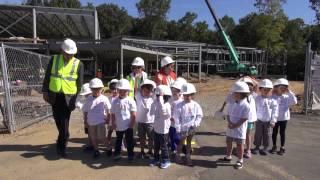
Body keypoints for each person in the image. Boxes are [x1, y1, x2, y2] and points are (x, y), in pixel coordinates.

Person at [42, 38, 84, 157]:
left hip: (68, 97)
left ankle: (62, 145)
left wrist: (76, 99)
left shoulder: (79, 64)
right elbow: (47, 76)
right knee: (57, 119)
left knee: (64, 122)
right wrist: (45, 91)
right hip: (54, 95)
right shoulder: (54, 60)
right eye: (67, 54)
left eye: (71, 54)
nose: (69, 56)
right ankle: (65, 135)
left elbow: (79, 84)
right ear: (62, 51)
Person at [219, 81, 250, 169]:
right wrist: (229, 122)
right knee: (229, 142)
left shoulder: (246, 105)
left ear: (241, 94)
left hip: (240, 129)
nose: (233, 94)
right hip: (230, 127)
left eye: (235, 92)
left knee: (240, 145)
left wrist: (235, 125)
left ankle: (240, 160)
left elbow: (244, 118)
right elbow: (228, 114)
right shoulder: (231, 102)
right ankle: (228, 156)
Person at [174, 83, 203, 166]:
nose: (187, 97)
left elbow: (199, 115)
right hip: (183, 128)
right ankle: (178, 155)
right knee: (181, 142)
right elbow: (177, 117)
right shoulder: (179, 105)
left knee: (189, 142)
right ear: (183, 95)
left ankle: (188, 156)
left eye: (189, 95)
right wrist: (178, 127)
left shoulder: (195, 105)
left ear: (192, 95)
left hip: (191, 128)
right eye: (185, 95)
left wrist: (196, 123)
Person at [83, 78, 111, 158]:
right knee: (93, 137)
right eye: (94, 89)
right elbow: (85, 111)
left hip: (101, 121)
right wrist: (85, 121)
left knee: (102, 137)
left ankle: (108, 148)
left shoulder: (104, 98)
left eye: (98, 89)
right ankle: (96, 150)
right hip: (91, 122)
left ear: (101, 89)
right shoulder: (88, 99)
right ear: (91, 89)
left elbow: (108, 110)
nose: (96, 91)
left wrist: (108, 120)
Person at [111, 79, 137, 161]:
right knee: (118, 140)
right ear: (118, 90)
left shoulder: (130, 100)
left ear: (128, 91)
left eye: (125, 91)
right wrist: (113, 122)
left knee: (129, 141)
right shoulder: (115, 101)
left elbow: (133, 113)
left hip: (128, 125)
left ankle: (130, 154)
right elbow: (113, 113)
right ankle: (117, 153)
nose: (122, 92)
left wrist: (132, 124)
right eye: (120, 90)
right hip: (119, 125)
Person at [270, 78, 297, 155]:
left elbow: (294, 102)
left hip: (284, 118)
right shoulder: (273, 96)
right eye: (280, 88)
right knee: (274, 132)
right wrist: (273, 91)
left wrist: (289, 92)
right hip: (275, 118)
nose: (282, 89)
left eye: (284, 88)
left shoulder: (287, 97)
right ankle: (274, 146)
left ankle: (282, 147)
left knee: (282, 133)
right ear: (276, 88)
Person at [252, 79, 278, 156]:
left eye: (268, 90)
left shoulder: (273, 100)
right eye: (264, 89)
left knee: (267, 135)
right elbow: (254, 109)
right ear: (260, 89)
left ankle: (265, 148)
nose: (266, 91)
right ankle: (257, 147)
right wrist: (253, 118)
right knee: (258, 134)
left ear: (271, 90)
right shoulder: (257, 98)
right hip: (259, 120)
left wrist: (273, 121)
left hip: (268, 121)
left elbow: (275, 111)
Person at [150, 85, 172, 169]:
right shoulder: (155, 103)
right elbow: (151, 113)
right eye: (158, 96)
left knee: (164, 146)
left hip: (164, 130)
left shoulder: (167, 105)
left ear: (166, 97)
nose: (159, 98)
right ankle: (156, 158)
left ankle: (166, 160)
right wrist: (154, 101)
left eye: (161, 96)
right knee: (156, 145)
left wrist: (161, 102)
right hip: (156, 129)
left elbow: (164, 113)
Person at [135, 79, 156, 159]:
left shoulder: (153, 97)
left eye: (149, 91)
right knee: (142, 138)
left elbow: (157, 90)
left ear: (151, 92)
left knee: (151, 138)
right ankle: (142, 151)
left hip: (151, 122)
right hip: (140, 122)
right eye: (144, 91)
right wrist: (136, 80)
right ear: (141, 90)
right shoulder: (138, 96)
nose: (146, 93)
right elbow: (136, 89)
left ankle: (150, 151)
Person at [168, 78, 186, 154]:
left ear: (180, 92)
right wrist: (170, 116)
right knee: (172, 137)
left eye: (176, 91)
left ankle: (183, 148)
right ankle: (173, 149)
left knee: (177, 137)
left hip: (178, 123)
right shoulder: (170, 99)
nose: (174, 92)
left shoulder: (182, 101)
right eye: (173, 91)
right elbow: (168, 109)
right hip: (171, 123)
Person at [242, 78, 257, 159]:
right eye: (246, 85)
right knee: (241, 135)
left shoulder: (254, 95)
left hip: (250, 120)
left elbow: (257, 85)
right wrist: (242, 79)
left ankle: (248, 150)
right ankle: (241, 148)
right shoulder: (240, 96)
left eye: (250, 85)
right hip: (241, 120)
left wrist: (251, 79)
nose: (249, 87)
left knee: (248, 135)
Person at [75, 83, 93, 152]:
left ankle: (94, 145)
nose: (87, 96)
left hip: (95, 120)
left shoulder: (96, 97)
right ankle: (91, 145)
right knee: (89, 132)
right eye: (86, 95)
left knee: (95, 133)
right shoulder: (82, 99)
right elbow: (77, 103)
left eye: (88, 94)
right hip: (87, 119)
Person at [106, 79, 119, 157]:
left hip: (118, 119)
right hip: (111, 118)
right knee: (110, 132)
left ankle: (121, 144)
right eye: (113, 89)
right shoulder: (109, 99)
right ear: (110, 90)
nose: (114, 91)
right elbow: (107, 109)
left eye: (116, 89)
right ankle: (108, 143)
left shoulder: (120, 98)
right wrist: (107, 118)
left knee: (119, 133)